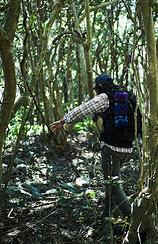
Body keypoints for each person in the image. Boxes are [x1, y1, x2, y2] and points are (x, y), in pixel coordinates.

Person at [49, 74, 137, 221]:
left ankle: (133, 218)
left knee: (114, 186)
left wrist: (64, 121)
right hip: (128, 148)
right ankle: (107, 215)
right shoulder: (127, 96)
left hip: (112, 148)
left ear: (101, 86)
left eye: (98, 89)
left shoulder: (105, 97)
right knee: (111, 182)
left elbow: (83, 109)